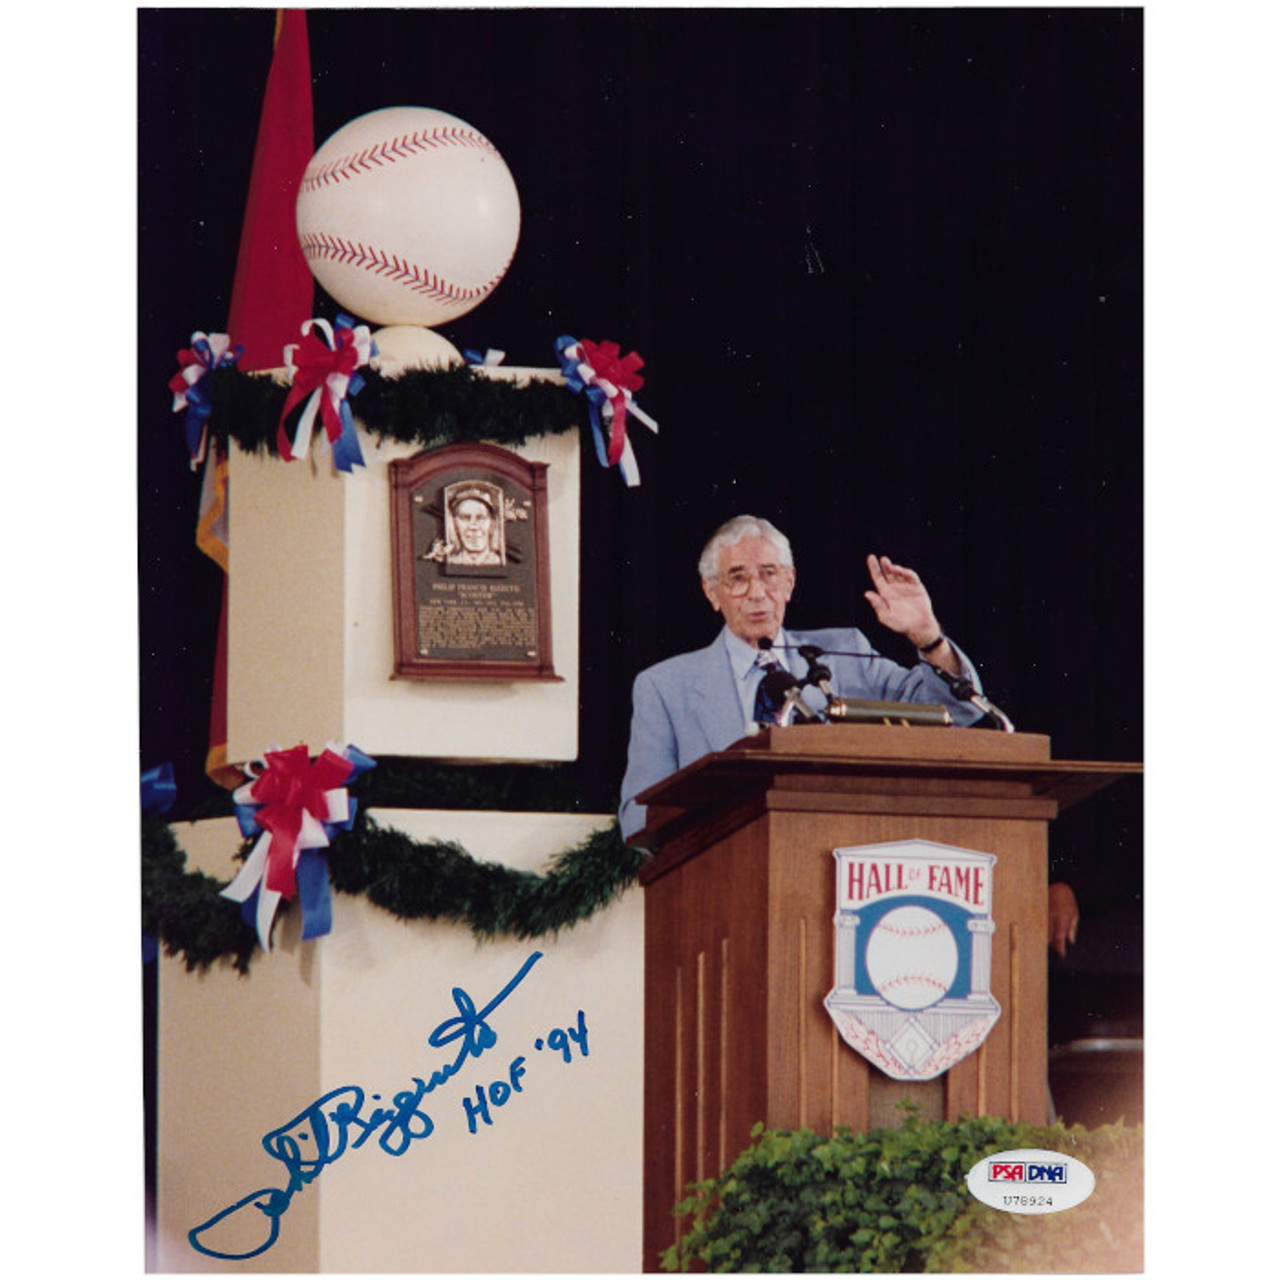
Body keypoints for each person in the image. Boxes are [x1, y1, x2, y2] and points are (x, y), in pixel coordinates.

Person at [618, 514, 988, 839]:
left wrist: (928, 637)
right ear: (712, 592)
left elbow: (956, 712)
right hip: (725, 877)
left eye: (769, 574)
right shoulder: (664, 687)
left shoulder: (845, 654)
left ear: (790, 583)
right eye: (737, 579)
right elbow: (637, 816)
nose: (757, 593)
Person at [446, 486, 503, 566]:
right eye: (465, 518)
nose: (473, 526)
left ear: (492, 523)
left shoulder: (498, 561)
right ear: (455, 524)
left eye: (480, 518)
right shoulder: (452, 561)